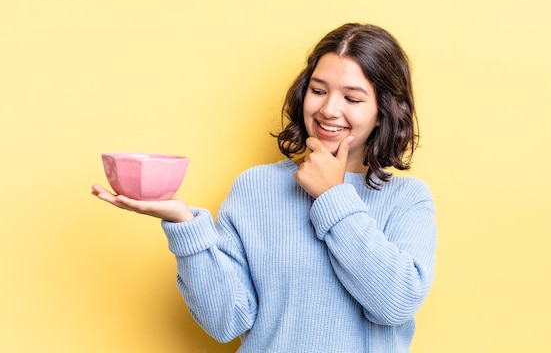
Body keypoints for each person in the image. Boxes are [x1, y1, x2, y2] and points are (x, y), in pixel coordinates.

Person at [92, 22, 437, 353]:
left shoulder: (408, 199)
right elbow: (227, 322)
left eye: (353, 98)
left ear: (383, 111)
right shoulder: (256, 187)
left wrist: (333, 196)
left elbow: (395, 303)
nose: (329, 109)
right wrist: (185, 227)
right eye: (318, 91)